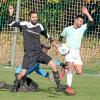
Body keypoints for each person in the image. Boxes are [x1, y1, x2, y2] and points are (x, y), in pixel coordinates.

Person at [8, 6, 65, 92]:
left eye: (36, 17)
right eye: (33, 17)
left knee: (53, 65)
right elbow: (10, 24)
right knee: (23, 73)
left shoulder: (40, 26)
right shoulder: (24, 24)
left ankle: (59, 86)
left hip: (39, 52)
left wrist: (56, 45)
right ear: (29, 17)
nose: (35, 18)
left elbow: (47, 36)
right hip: (29, 53)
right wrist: (11, 13)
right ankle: (15, 85)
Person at [58, 6, 94, 95]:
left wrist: (86, 13)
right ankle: (68, 87)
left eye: (82, 22)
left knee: (79, 72)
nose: (82, 23)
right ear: (75, 20)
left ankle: (64, 67)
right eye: (80, 21)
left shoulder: (82, 28)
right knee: (71, 70)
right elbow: (60, 38)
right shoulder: (67, 29)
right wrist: (61, 48)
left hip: (77, 52)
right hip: (69, 51)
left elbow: (92, 23)